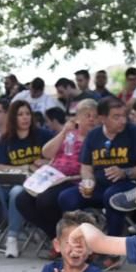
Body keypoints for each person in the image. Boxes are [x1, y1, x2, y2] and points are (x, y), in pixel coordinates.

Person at [56, 96, 136, 247]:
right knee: (66, 197)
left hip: (129, 186)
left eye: (124, 115)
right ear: (102, 118)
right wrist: (88, 181)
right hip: (99, 186)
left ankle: (111, 249)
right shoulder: (94, 135)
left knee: (112, 197)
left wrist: (125, 172)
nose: (122, 120)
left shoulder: (134, 132)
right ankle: (79, 244)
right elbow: (86, 167)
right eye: (116, 117)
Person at [16, 99, 99, 243]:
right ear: (78, 118)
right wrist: (63, 133)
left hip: (72, 179)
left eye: (95, 116)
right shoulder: (69, 134)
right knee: (22, 200)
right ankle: (55, 237)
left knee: (45, 200)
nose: (91, 119)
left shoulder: (96, 138)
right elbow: (47, 153)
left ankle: (61, 240)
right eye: (87, 115)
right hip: (52, 177)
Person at [0, 99, 55, 256]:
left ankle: (12, 237)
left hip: (35, 184)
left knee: (17, 192)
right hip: (9, 181)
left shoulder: (43, 135)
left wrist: (46, 162)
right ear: (13, 118)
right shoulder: (6, 139)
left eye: (28, 114)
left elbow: (57, 157)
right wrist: (24, 167)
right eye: (20, 114)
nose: (25, 118)